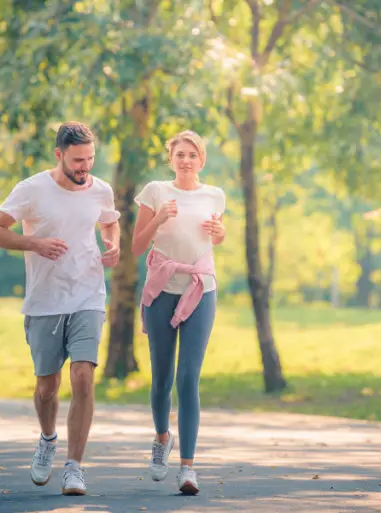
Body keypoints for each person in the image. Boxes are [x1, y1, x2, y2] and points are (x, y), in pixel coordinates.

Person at [0, 121, 120, 496]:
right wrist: (34, 244)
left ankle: (74, 467)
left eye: (90, 159)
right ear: (59, 155)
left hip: (88, 294)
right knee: (47, 388)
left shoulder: (101, 190)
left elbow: (110, 223)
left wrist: (112, 245)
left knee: (82, 376)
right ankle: (47, 438)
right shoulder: (31, 190)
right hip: (45, 301)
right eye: (77, 160)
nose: (84, 167)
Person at [131, 129, 226, 495]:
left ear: (201, 160)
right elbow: (138, 245)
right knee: (162, 378)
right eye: (180, 154)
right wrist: (157, 220)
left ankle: (188, 468)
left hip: (201, 289)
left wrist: (219, 233)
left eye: (192, 154)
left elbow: (215, 237)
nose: (186, 160)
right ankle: (161, 438)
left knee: (189, 378)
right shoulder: (156, 191)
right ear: (170, 158)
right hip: (162, 289)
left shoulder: (215, 195)